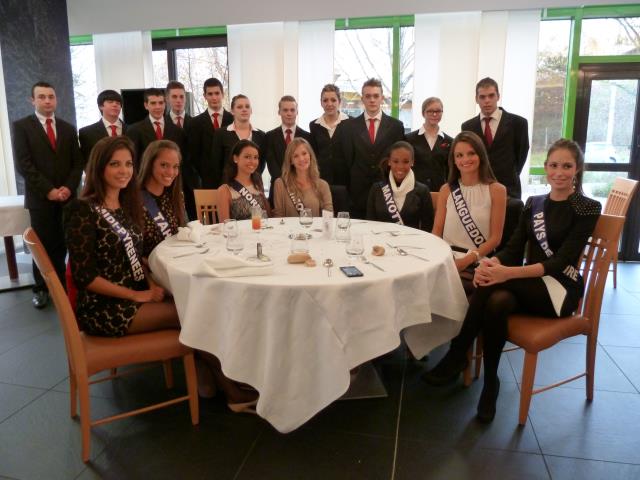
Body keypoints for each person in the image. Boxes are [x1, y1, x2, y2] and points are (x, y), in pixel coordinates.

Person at [423, 139, 601, 423]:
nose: (559, 172)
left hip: (560, 290)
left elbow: (560, 262)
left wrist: (505, 273)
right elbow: (513, 249)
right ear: (545, 168)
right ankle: (491, 383)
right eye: (554, 165)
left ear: (577, 169)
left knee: (495, 285)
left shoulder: (587, 207)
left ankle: (458, 353)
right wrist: (492, 263)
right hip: (528, 285)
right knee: (497, 299)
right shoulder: (535, 203)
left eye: (567, 166)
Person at [64, 136, 178, 336]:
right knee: (190, 313)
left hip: (135, 293)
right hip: (103, 308)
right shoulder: (82, 209)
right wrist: (136, 295)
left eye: (128, 164)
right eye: (115, 164)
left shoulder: (126, 205)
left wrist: (151, 286)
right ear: (99, 167)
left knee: (195, 304)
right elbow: (84, 277)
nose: (124, 171)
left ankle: (205, 367)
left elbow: (135, 256)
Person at [13, 81, 83, 309]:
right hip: (40, 200)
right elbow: (24, 165)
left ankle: (62, 287)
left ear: (56, 99)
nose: (47, 101)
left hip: (67, 198)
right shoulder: (22, 127)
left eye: (51, 96)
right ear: (32, 100)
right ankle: (41, 289)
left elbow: (77, 163)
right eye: (41, 97)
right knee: (42, 245)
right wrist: (49, 190)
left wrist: (68, 188)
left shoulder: (68, 128)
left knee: (64, 243)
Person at [431, 131, 506, 287]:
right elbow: (436, 233)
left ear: (481, 155)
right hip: (447, 257)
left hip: (478, 260)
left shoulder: (497, 190)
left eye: (471, 153)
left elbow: (495, 239)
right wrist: (443, 258)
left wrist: (467, 260)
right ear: (454, 160)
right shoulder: (446, 190)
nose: (465, 159)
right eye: (459, 155)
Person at [338, 78, 405, 219]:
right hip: (357, 194)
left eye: (376, 96)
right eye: (368, 96)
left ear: (382, 98)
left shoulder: (396, 126)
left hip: (386, 191)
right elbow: (347, 161)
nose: (372, 100)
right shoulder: (348, 127)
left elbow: (397, 160)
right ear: (362, 99)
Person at [461, 77, 529, 199]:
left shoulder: (518, 123)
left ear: (498, 96)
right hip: (478, 188)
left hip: (509, 189)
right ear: (476, 99)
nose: (487, 100)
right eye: (482, 97)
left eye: (491, 96)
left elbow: (521, 154)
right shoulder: (467, 127)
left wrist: (511, 173)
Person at [366, 141, 434, 231]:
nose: (400, 166)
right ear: (389, 162)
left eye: (405, 162)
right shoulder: (376, 189)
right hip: (380, 242)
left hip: (412, 243)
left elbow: (427, 228)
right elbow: (370, 224)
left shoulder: (422, 191)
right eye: (395, 161)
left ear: (412, 162)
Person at [137, 140, 186, 258]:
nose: (171, 172)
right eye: (164, 165)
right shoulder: (134, 200)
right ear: (149, 164)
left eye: (175, 167)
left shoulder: (176, 196)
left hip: (176, 260)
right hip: (149, 269)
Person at [206, 94, 266, 189]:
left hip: (255, 187)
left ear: (251, 110)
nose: (244, 109)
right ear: (232, 111)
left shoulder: (261, 135)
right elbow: (216, 165)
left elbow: (261, 164)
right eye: (239, 107)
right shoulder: (221, 134)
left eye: (247, 106)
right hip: (229, 187)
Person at [265, 95, 312, 204]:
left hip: (302, 189)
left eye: (292, 110)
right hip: (278, 188)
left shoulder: (308, 137)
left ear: (297, 112)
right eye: (285, 110)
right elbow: (272, 165)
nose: (289, 113)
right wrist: (285, 183)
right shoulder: (269, 137)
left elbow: (308, 164)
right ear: (279, 112)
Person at [188, 77, 233, 190]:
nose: (214, 97)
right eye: (210, 94)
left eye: (217, 93)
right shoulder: (195, 123)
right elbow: (194, 154)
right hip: (207, 181)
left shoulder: (233, 120)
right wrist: (205, 174)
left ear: (223, 94)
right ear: (205, 96)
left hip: (231, 179)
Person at [272, 137, 333, 217]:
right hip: (288, 229)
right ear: (291, 161)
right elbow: (278, 217)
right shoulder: (281, 184)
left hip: (314, 229)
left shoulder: (323, 185)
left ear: (310, 155)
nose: (301, 159)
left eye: (304, 153)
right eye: (296, 156)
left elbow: (328, 218)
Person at [165, 80, 199, 220]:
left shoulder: (196, 123)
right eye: (174, 97)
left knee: (195, 218)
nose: (178, 100)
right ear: (167, 99)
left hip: (192, 179)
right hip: (170, 177)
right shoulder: (162, 124)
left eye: (181, 97)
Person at [126, 88, 185, 167]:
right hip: (146, 177)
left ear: (165, 104)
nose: (158, 107)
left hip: (171, 176)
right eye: (153, 103)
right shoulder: (134, 130)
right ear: (146, 105)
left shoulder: (177, 131)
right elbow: (133, 160)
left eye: (161, 103)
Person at [405, 97, 452, 191]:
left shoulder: (450, 141)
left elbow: (450, 170)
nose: (434, 114)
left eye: (438, 111)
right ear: (423, 113)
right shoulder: (409, 139)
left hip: (440, 191)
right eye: (430, 111)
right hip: (414, 190)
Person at [308, 84, 350, 186]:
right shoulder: (314, 125)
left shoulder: (351, 123)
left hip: (346, 182)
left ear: (339, 102)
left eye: (333, 100)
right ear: (321, 103)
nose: (329, 103)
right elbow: (314, 155)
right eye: (325, 100)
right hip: (321, 181)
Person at [217, 139, 270, 221]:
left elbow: (268, 216)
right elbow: (225, 226)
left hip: (262, 231)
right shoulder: (225, 190)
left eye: (255, 157)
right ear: (235, 158)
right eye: (247, 157)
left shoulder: (258, 183)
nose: (252, 161)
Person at [78, 89, 127, 166]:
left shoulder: (132, 130)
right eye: (110, 102)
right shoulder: (86, 132)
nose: (115, 105)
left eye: (118, 103)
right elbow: (86, 160)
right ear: (101, 106)